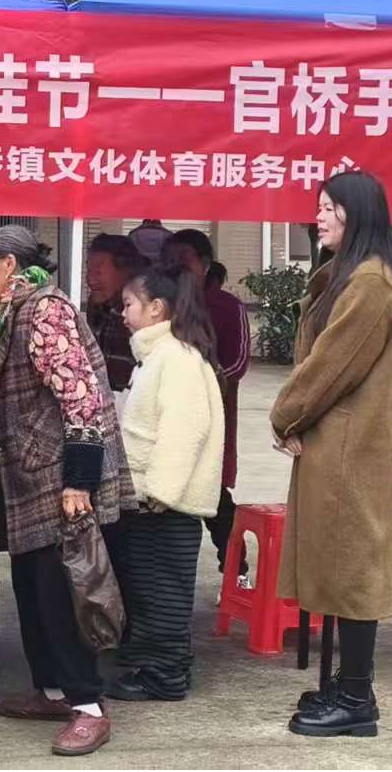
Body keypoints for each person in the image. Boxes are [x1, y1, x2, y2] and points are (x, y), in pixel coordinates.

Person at [0, 226, 132, 759]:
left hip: (57, 477)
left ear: (10, 265)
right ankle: (53, 692)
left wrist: (79, 482)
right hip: (29, 474)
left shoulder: (47, 311)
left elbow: (80, 398)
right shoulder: (19, 310)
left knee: (61, 594)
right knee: (31, 587)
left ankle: (88, 706)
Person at [269, 172, 392, 739]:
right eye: (319, 207)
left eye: (330, 207)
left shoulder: (370, 284)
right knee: (336, 564)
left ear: (357, 214)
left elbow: (330, 367)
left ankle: (357, 698)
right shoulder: (349, 277)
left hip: (353, 450)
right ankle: (347, 685)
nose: (319, 217)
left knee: (354, 569)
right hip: (337, 444)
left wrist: (285, 415)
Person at [107, 264, 224, 704]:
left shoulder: (176, 358)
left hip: (164, 502)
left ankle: (164, 676)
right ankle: (159, 666)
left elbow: (184, 430)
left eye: (129, 304)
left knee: (163, 593)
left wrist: (159, 493)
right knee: (150, 588)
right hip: (150, 499)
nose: (122, 313)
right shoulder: (157, 356)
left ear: (156, 308)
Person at [163, 229, 250, 574]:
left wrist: (204, 383)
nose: (176, 267)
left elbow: (238, 362)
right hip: (170, 417)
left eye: (184, 259)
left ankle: (236, 569)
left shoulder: (227, 306)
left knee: (214, 494)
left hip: (214, 416)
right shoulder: (162, 302)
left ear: (205, 264)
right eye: (171, 260)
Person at [84, 235, 146, 396]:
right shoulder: (96, 305)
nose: (90, 279)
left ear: (125, 272)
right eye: (88, 270)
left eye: (98, 272)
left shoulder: (144, 315)